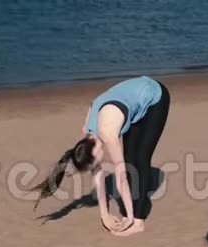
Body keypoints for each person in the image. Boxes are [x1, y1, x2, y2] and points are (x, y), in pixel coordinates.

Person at [30, 76, 170, 236]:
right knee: (130, 159)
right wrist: (105, 215)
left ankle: (138, 222)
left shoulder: (108, 133)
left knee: (140, 159)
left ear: (94, 154)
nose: (96, 168)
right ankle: (132, 213)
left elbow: (121, 179)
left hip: (154, 97)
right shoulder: (87, 136)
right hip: (131, 103)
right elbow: (98, 176)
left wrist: (129, 219)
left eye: (94, 165)